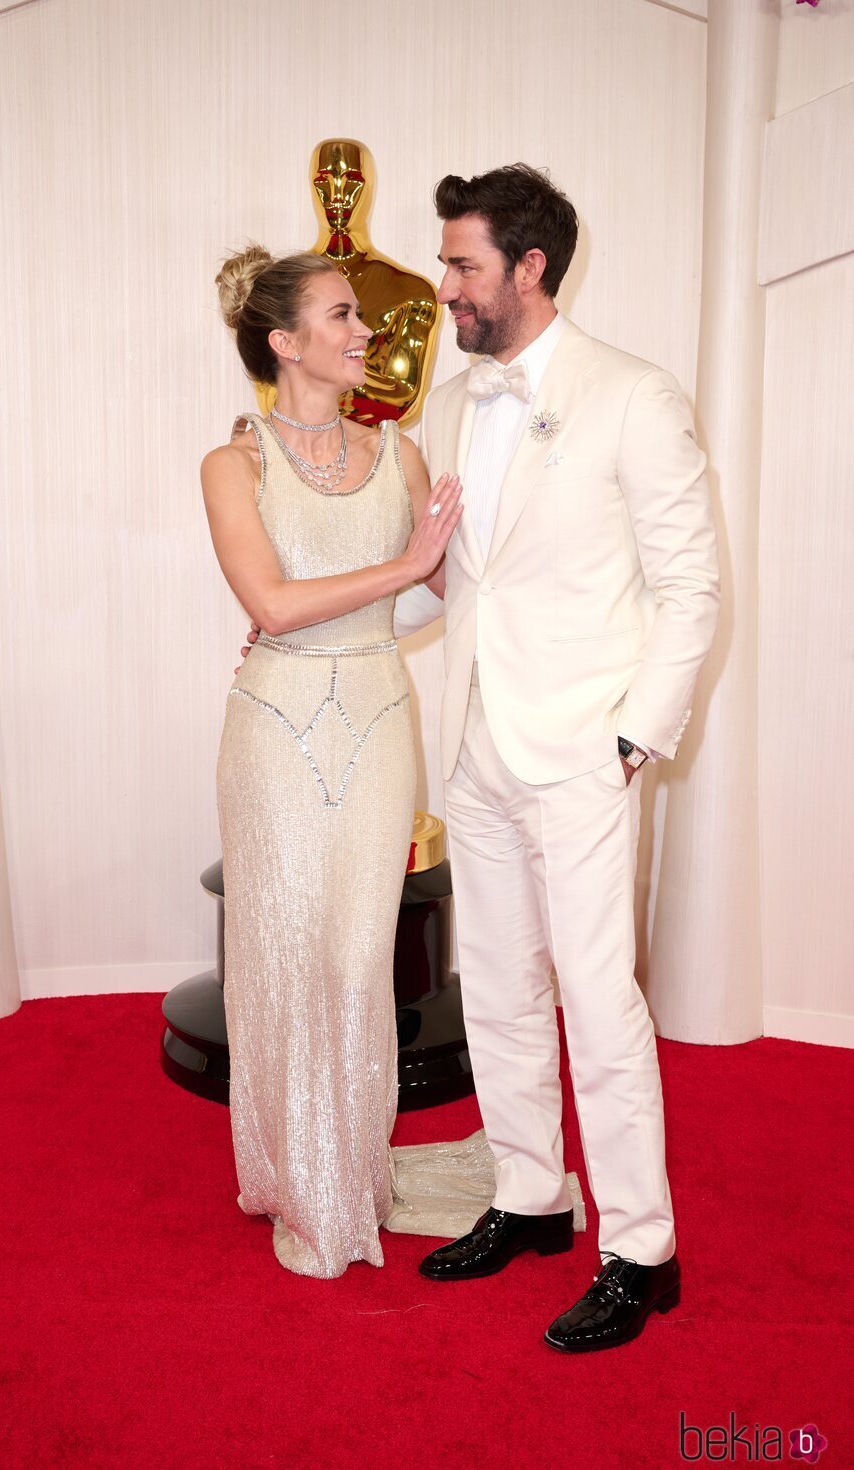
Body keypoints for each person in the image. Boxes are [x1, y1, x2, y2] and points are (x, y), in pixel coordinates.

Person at [392, 164, 720, 1351]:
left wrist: (631, 738)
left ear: (528, 268)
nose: (444, 287)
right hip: (473, 740)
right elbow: (449, 580)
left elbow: (690, 591)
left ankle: (642, 1248)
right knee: (499, 983)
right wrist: (332, 617)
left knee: (597, 997)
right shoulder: (454, 401)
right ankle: (528, 1196)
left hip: (582, 748)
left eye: (461, 264)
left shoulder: (632, 394)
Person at [201, 245, 463, 1278]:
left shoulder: (398, 453)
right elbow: (268, 605)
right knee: (283, 955)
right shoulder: (235, 463)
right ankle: (296, 1181)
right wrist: (403, 565)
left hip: (375, 719)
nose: (366, 332)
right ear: (284, 341)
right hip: (273, 733)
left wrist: (453, 563)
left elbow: (440, 594)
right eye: (343, 315)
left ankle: (345, 1169)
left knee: (357, 961)